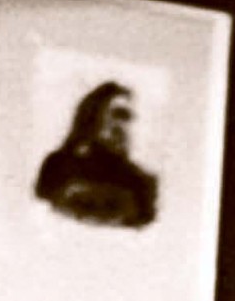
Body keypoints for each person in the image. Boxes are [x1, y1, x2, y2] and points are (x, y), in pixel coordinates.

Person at [34, 80, 158, 228]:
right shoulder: (56, 167)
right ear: (93, 116)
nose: (122, 126)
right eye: (118, 114)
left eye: (127, 118)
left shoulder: (142, 184)